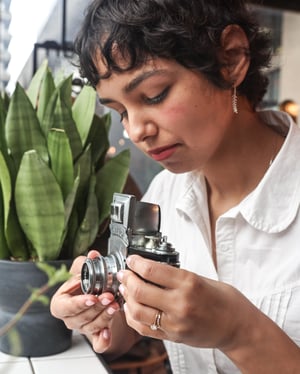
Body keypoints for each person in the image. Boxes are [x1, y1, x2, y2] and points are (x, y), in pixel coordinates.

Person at [50, 0, 300, 373]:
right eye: (121, 111)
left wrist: (240, 332)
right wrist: (100, 315)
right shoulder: (164, 197)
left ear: (230, 59)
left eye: (154, 95)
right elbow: (132, 332)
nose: (135, 131)